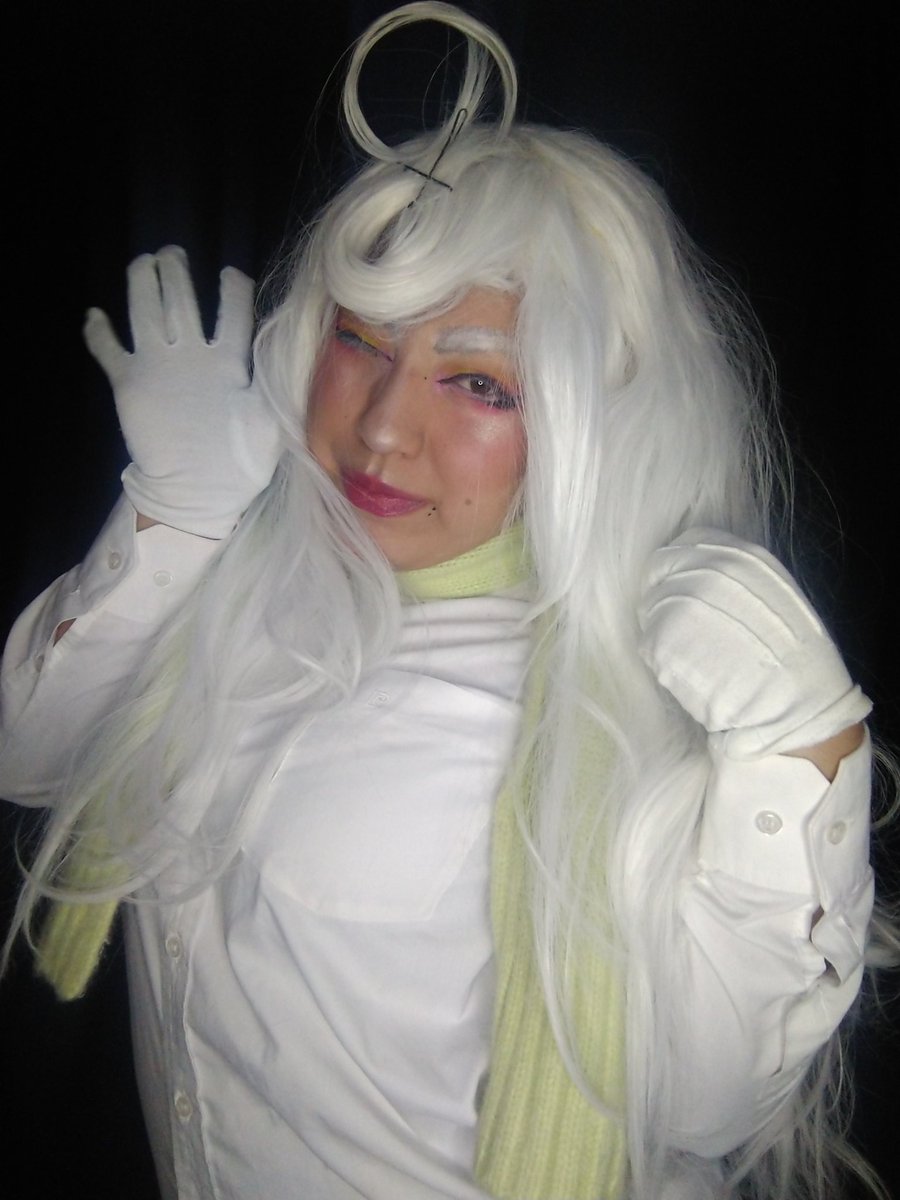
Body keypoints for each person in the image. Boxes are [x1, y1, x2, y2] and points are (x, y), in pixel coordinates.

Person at [0, 4, 895, 1198]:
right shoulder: (241, 579)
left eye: (478, 383)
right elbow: (34, 759)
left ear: (589, 413)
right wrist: (177, 513)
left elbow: (703, 1103)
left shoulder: (626, 690)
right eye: (363, 342)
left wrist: (805, 750)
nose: (382, 428)